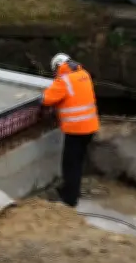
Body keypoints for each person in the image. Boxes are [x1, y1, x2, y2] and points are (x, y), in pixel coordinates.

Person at [41, 52, 100, 208]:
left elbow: (46, 99)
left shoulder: (64, 80)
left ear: (58, 66)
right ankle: (73, 190)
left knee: (70, 165)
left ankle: (69, 199)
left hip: (76, 130)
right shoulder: (84, 74)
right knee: (78, 162)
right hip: (90, 127)